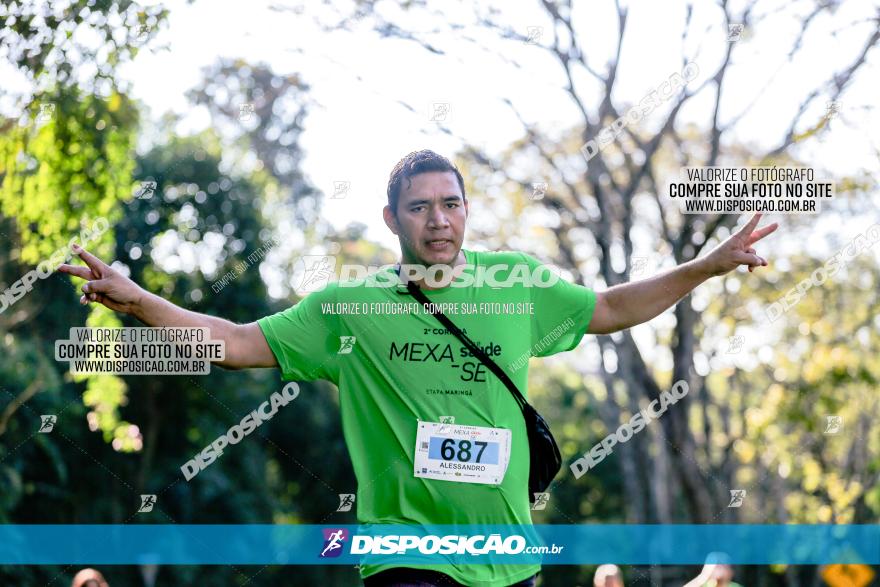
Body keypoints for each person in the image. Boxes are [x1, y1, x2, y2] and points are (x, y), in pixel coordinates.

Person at [59, 150, 777, 587]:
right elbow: (235, 340)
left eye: (452, 204)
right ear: (391, 219)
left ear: (468, 211)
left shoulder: (516, 283)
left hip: (510, 556)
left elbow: (614, 306)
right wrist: (140, 300)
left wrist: (707, 265)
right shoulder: (349, 306)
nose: (439, 220)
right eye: (420, 207)